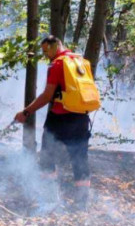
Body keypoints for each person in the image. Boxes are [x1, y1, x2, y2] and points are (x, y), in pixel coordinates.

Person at [14, 35, 92, 208]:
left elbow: (47, 96)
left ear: (56, 45)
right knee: (80, 159)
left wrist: (26, 112)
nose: (46, 54)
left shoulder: (57, 65)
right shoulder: (80, 62)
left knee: (47, 156)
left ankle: (50, 198)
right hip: (81, 118)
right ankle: (81, 204)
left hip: (60, 118)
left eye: (46, 50)